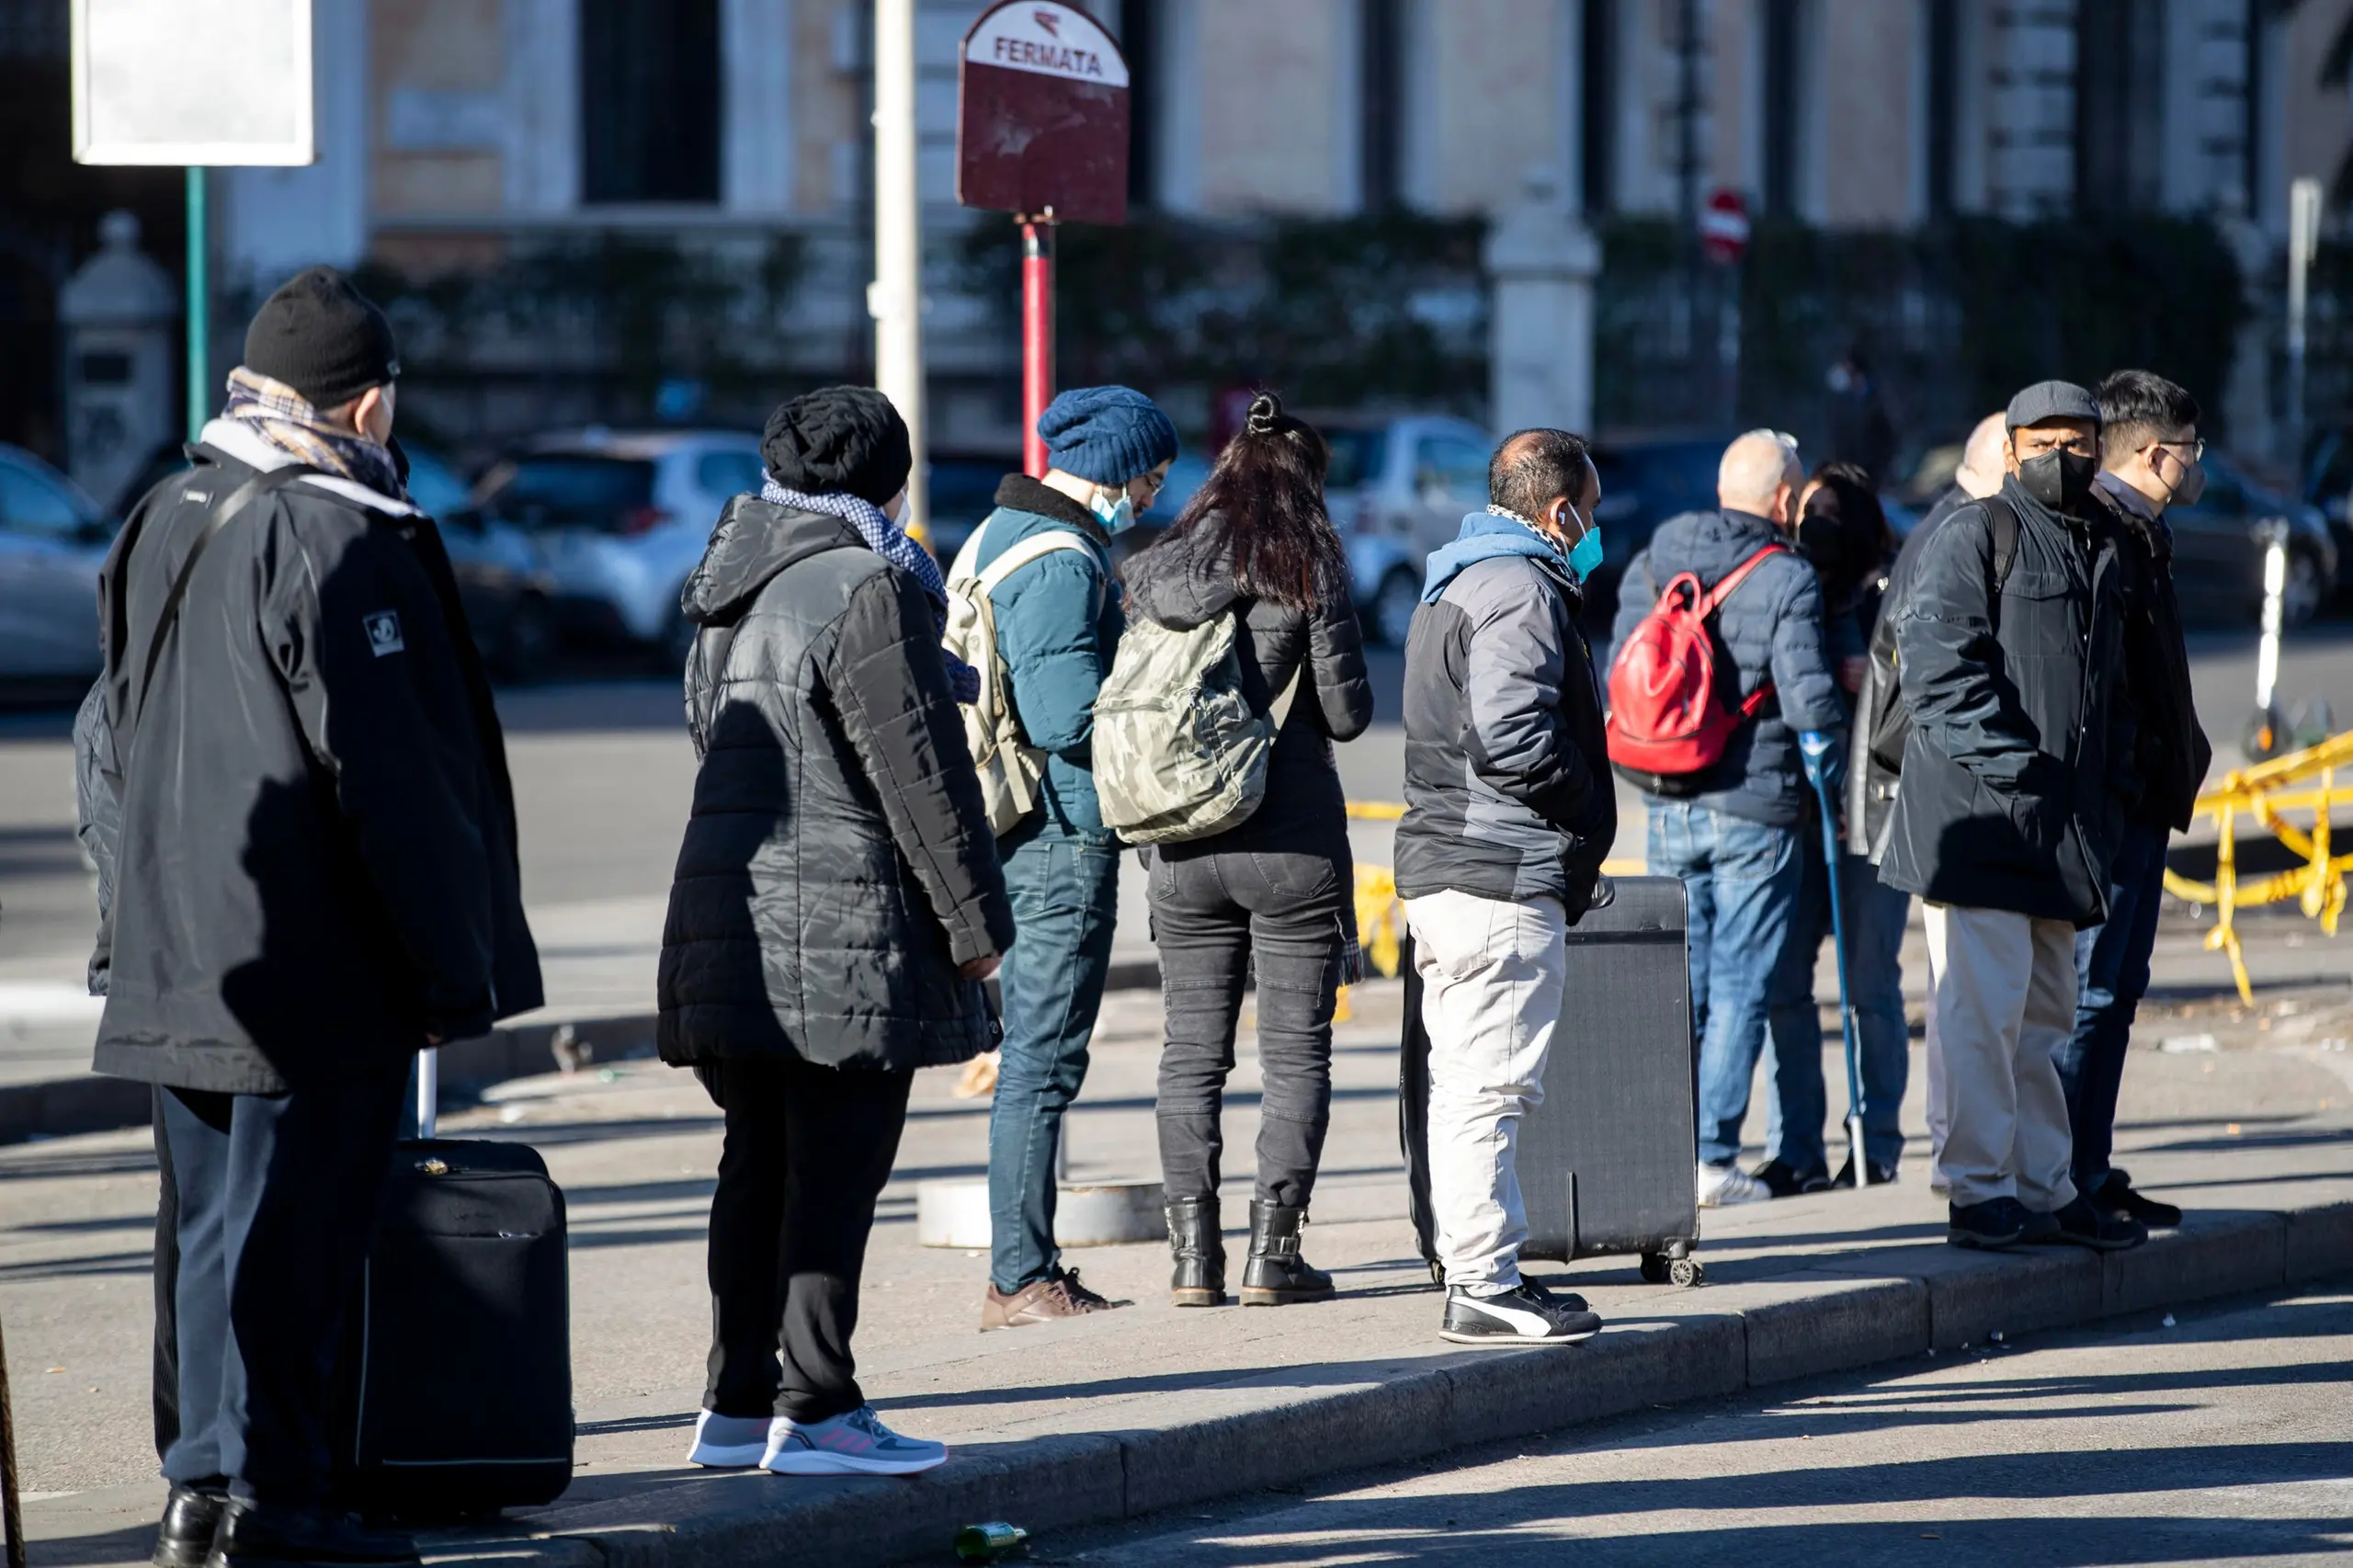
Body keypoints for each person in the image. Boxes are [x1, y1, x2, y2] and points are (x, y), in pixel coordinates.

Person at [94, 267, 540, 1568]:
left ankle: (200, 1492)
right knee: (297, 1242)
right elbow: (394, 782)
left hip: (179, 942)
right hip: (312, 960)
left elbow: (109, 732)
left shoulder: (163, 509)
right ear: (369, 399)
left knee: (206, 1233)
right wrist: (452, 966)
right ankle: (281, 1509)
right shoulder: (346, 532)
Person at [659, 386, 1015, 1475]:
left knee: (756, 1157)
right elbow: (920, 770)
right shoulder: (867, 582)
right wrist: (977, 922)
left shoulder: (732, 583)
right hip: (844, 923)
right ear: (889, 481)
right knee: (835, 1167)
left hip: (733, 914)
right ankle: (819, 1409)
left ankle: (733, 1404)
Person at [1120, 392, 1374, 1309]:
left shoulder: (1154, 570)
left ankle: (1193, 1259)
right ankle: (1275, 1253)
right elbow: (1346, 713)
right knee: (1297, 1053)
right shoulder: (1308, 564)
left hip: (1181, 842)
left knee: (1189, 1052)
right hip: (1291, 839)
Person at [1879, 380, 2144, 1253]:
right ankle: (1980, 1189)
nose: (2063, 457)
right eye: (2046, 442)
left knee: (2045, 1018)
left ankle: (2045, 1184)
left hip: (2060, 830)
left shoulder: (2103, 541)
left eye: (2080, 442)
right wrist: (2023, 771)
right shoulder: (1971, 532)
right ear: (2014, 446)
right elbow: (1938, 676)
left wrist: (2097, 790)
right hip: (1982, 821)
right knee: (1983, 1014)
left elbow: (2110, 688)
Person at [1395, 428, 1612, 1346]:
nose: (1594, 533)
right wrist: (1582, 808)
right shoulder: (1520, 585)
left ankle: (1475, 1268)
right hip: (1497, 871)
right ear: (1559, 510)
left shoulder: (1455, 577)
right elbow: (1514, 735)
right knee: (1491, 1087)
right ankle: (1484, 1281)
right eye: (1590, 515)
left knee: (1463, 1084)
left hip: (1451, 867)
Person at [977, 385, 1179, 1329]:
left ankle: (1027, 1265)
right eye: (1149, 477)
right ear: (1113, 469)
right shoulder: (1059, 562)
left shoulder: (998, 534)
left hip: (1018, 830)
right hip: (1058, 837)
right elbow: (1066, 718)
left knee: (1035, 1054)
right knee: (1042, 1059)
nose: (1149, 497)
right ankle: (1021, 1276)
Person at [1611, 430, 1847, 1207]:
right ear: (1785, 500)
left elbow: (1622, 666)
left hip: (1667, 795)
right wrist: (1835, 792)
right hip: (1757, 802)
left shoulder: (1652, 558)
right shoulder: (1788, 575)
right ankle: (1711, 1158)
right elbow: (1811, 704)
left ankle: (1667, 1151)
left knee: (1683, 982)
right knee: (1744, 982)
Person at [2063, 370, 2212, 1229]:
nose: (2196, 468)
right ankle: (2068, 1177)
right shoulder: (2101, 534)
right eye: (2190, 453)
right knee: (2090, 995)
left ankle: (2091, 1164)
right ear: (2156, 455)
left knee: (2118, 992)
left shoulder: (2142, 533)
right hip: (2112, 810)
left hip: (2145, 800)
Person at [1864, 410, 2005, 1191]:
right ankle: (1963, 1164)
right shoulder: (1959, 537)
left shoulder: (1942, 529)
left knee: (1965, 992)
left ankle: (1967, 1157)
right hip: (1951, 807)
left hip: (1942, 805)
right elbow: (1925, 683)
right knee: (1961, 994)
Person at [1761, 463, 1911, 1187]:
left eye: (1827, 510)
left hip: (1872, 820)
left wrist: (1879, 681)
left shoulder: (1894, 589)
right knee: (1785, 981)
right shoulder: (1789, 585)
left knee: (1869, 984)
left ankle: (1876, 1141)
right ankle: (1797, 1147)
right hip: (1798, 818)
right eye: (1804, 509)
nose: (1811, 523)